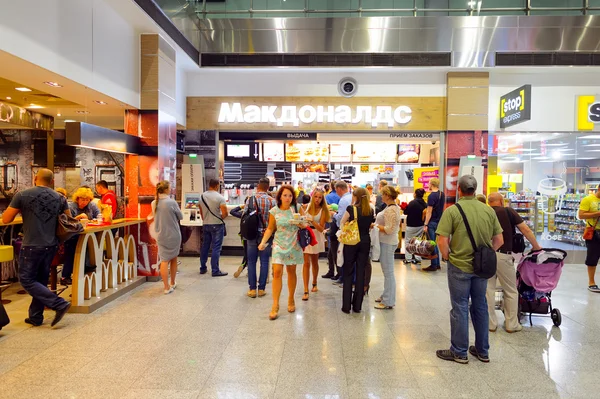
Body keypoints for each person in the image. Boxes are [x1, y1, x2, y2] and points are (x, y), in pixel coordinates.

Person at [435, 175, 503, 364]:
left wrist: (448, 257)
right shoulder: (488, 210)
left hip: (459, 265)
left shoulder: (453, 211)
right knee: (480, 306)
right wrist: (486, 254)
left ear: (459, 190)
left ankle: (459, 352)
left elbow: (442, 240)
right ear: (475, 189)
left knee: (460, 307)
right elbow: (499, 240)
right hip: (481, 268)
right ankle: (482, 351)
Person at [2, 168, 72, 327]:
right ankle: (35, 317)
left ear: (35, 178)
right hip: (51, 245)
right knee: (40, 280)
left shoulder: (22, 195)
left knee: (26, 280)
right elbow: (68, 220)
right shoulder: (60, 197)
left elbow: (6, 219)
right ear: (52, 181)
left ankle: (59, 303)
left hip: (31, 244)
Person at [487, 193, 542, 332]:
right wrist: (536, 246)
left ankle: (490, 324)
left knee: (488, 290)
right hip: (504, 256)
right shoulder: (508, 211)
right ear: (501, 201)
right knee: (511, 290)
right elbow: (525, 229)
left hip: (487, 255)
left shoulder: (485, 211)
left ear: (489, 202)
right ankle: (511, 324)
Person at [258, 185, 306, 320]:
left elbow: (305, 223)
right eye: (285, 195)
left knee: (291, 272)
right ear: (280, 196)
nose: (287, 198)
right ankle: (275, 304)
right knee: (277, 272)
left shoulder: (297, 208)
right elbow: (270, 228)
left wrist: (301, 224)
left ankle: (291, 299)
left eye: (290, 196)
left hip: (293, 244)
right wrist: (263, 242)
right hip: (279, 244)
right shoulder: (274, 211)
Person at [339, 187, 375, 313]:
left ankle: (346, 306)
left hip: (351, 242)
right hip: (365, 242)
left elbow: (342, 223)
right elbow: (370, 225)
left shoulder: (351, 209)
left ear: (356, 196)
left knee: (348, 272)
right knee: (361, 272)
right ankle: (357, 306)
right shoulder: (370, 210)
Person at [240, 178, 276, 298]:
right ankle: (261, 289)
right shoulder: (272, 201)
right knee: (264, 261)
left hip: (251, 234)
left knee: (251, 261)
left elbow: (244, 216)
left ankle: (252, 289)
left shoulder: (250, 199)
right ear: (268, 187)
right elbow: (275, 220)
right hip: (266, 235)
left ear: (258, 186)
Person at [61, 187, 101, 285]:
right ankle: (65, 276)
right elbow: (65, 222)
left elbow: (100, 216)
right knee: (72, 249)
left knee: (90, 244)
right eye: (83, 200)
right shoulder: (71, 207)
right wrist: (77, 218)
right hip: (72, 235)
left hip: (87, 234)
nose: (85, 202)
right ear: (77, 198)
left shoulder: (92, 206)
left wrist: (93, 220)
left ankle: (86, 268)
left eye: (87, 200)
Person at [153, 181, 183, 295]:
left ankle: (166, 287)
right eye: (169, 188)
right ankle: (172, 282)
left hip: (160, 235)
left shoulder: (154, 203)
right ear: (166, 190)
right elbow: (180, 216)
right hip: (173, 234)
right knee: (174, 258)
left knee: (164, 260)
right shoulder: (171, 202)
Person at [374, 185, 401, 310]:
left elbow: (389, 229)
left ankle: (388, 300)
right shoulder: (392, 208)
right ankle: (386, 295)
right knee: (387, 271)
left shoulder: (390, 210)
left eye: (383, 194)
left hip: (388, 242)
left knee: (388, 272)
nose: (381, 196)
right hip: (387, 241)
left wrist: (375, 226)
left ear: (388, 195)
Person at [301, 189, 331, 301]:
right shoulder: (307, 207)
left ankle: (314, 282)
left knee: (314, 261)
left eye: (320, 197)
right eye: (316, 197)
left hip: (317, 236)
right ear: (312, 197)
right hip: (306, 234)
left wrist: (312, 221)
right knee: (306, 263)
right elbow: (302, 219)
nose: (317, 199)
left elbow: (321, 228)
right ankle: (305, 289)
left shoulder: (323, 210)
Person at [199, 179, 228, 277]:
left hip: (206, 224)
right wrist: (220, 218)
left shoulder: (202, 196)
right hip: (217, 225)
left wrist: (205, 220)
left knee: (205, 246)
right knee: (216, 248)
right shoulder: (220, 197)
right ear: (217, 185)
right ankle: (215, 270)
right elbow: (225, 213)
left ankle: (203, 268)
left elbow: (201, 211)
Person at [578, 186, 600, 292]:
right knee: (592, 258)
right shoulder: (588, 199)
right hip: (594, 233)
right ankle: (591, 282)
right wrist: (598, 213)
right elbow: (581, 215)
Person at [332, 181, 353, 285]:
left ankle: (343, 277)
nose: (337, 193)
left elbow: (340, 218)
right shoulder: (352, 197)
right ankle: (348, 278)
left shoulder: (343, 200)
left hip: (344, 230)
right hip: (353, 231)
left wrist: (333, 215)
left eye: (336, 190)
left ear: (339, 189)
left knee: (342, 254)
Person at [423, 178, 445, 272]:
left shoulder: (431, 196)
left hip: (432, 222)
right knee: (435, 242)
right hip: (439, 221)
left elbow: (429, 211)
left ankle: (434, 265)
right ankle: (437, 263)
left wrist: (425, 224)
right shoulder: (441, 194)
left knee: (432, 243)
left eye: (429, 183)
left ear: (431, 184)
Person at [404, 189, 427, 265]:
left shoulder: (412, 203)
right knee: (418, 242)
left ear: (415, 194)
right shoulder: (425, 204)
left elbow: (406, 212)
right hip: (420, 225)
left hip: (411, 225)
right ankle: (418, 259)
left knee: (408, 241)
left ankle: (408, 258)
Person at [323, 181, 341, 279]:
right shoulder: (341, 198)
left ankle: (336, 272)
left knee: (333, 249)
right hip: (339, 225)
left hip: (331, 223)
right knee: (334, 250)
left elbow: (325, 210)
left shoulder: (327, 197)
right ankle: (333, 271)